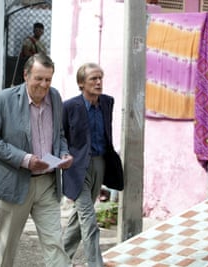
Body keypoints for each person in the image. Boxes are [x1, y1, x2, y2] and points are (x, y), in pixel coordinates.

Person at [0, 53, 75, 267]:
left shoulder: (56, 97)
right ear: (26, 75)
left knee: (55, 244)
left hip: (48, 184)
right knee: (6, 248)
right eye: (38, 78)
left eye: (48, 79)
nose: (44, 85)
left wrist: (63, 154)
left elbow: (59, 134)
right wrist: (24, 159)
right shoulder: (4, 99)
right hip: (15, 183)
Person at [62, 63, 120, 267]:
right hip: (76, 169)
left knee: (78, 218)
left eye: (100, 78)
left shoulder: (107, 102)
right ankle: (95, 263)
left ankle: (60, 261)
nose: (98, 82)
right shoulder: (69, 107)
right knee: (88, 218)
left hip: (99, 163)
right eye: (93, 79)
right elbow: (61, 136)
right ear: (81, 83)